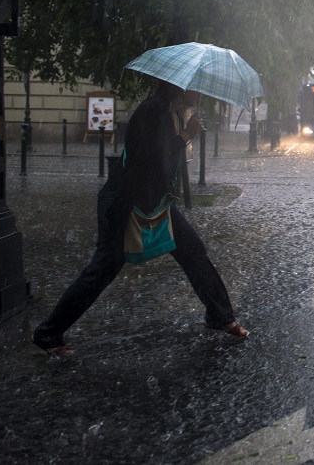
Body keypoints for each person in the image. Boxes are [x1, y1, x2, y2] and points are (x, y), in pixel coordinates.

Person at [32, 79, 248, 355]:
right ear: (178, 87)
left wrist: (185, 133)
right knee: (101, 271)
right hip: (125, 202)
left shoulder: (174, 112)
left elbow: (165, 160)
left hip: (154, 201)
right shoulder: (152, 110)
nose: (201, 93)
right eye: (196, 87)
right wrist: (186, 136)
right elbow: (151, 158)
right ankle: (48, 333)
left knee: (193, 252)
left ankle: (220, 315)